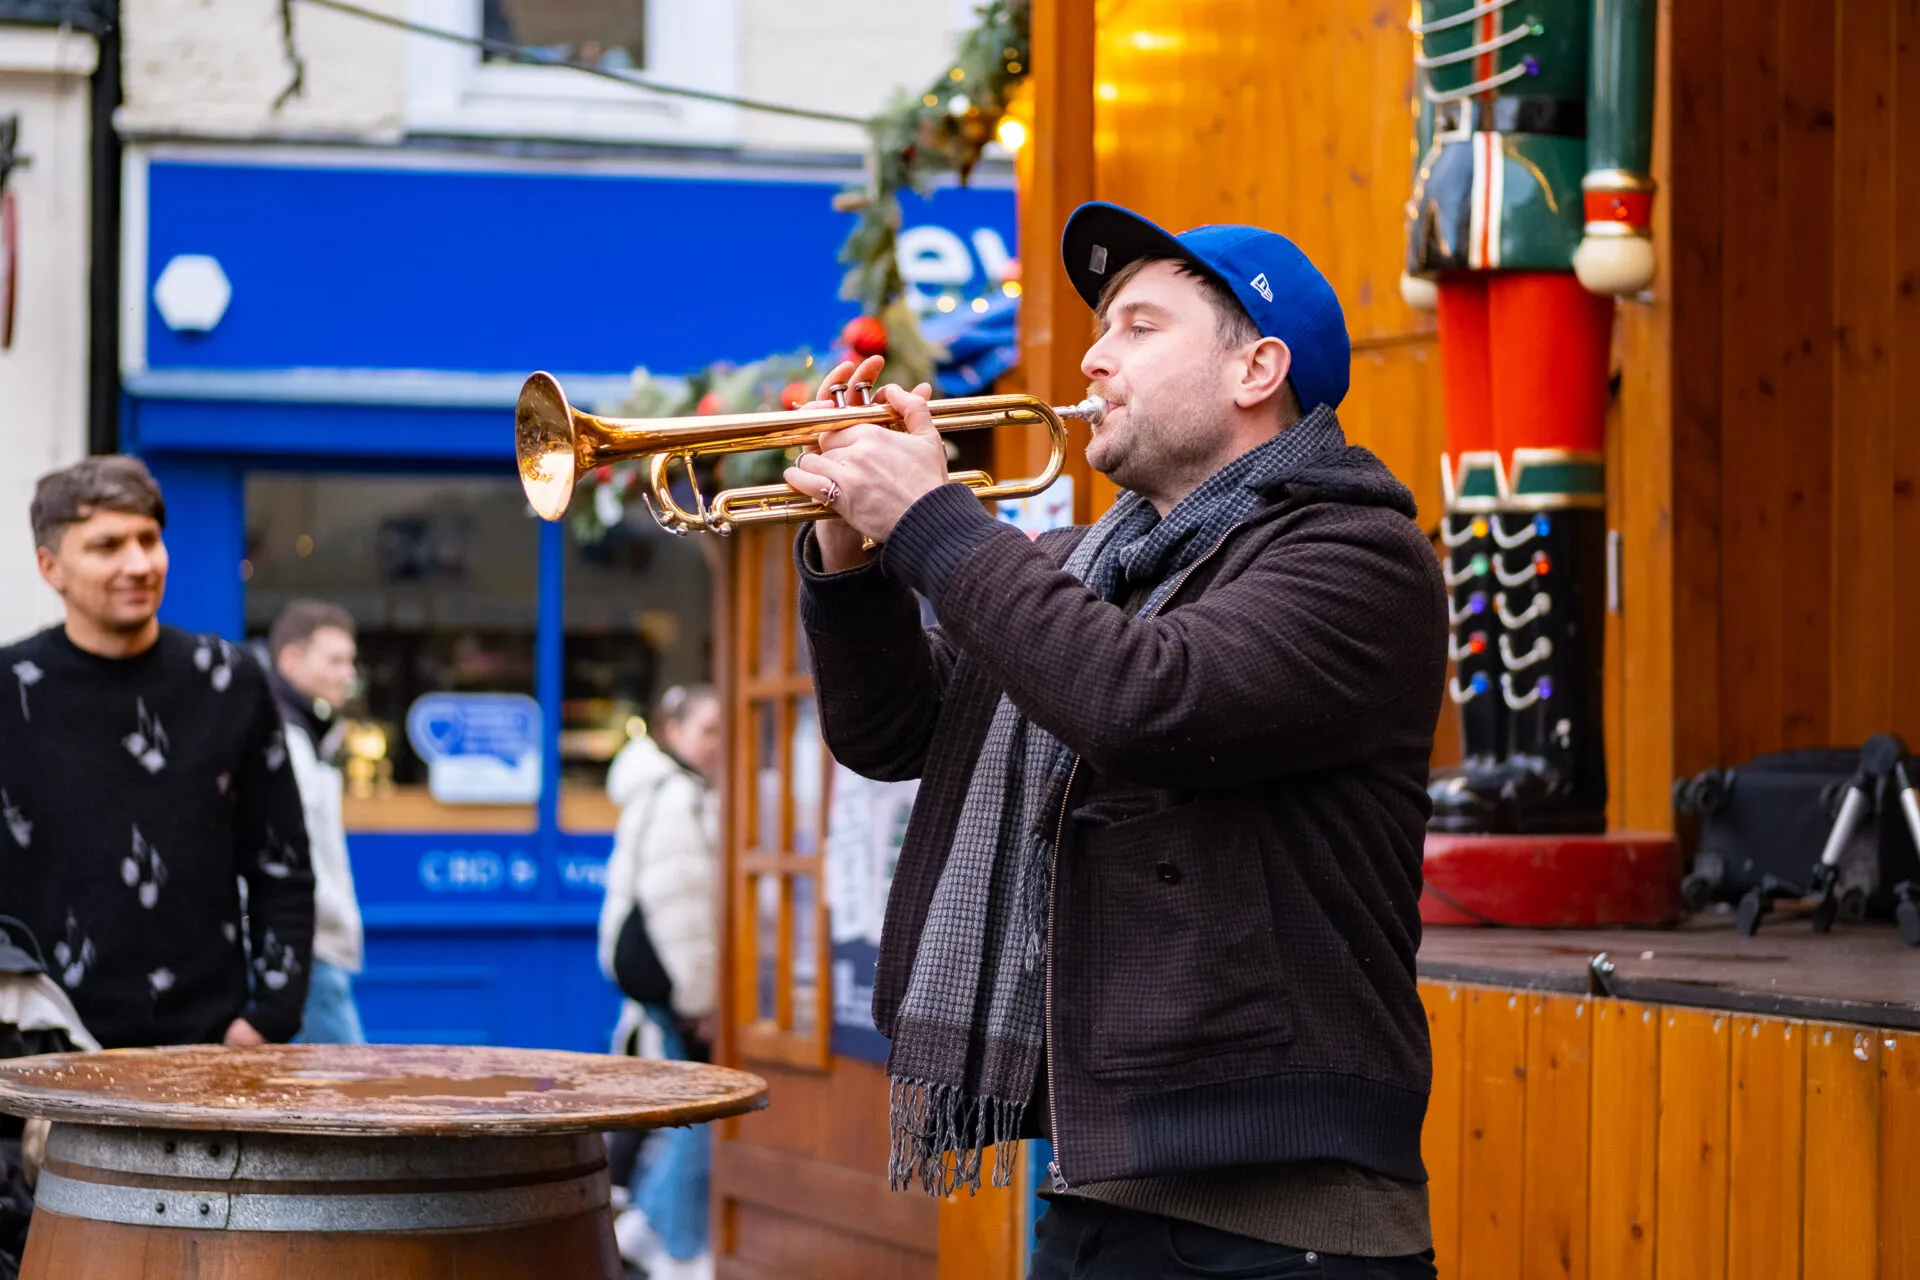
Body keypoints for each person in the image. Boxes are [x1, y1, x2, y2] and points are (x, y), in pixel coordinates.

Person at [783, 203, 1448, 1278]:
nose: (1093, 355)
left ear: (1255, 370)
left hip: (1287, 1229)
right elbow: (898, 728)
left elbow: (1146, 700)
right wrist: (851, 555)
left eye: (1139, 326)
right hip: (1099, 1196)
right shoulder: (1089, 565)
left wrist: (935, 519)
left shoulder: (1358, 556)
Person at [0, 456, 314, 1052]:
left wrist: (268, 1017)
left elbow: (282, 865)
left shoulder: (228, 680)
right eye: (107, 545)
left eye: (149, 539)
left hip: (203, 1051)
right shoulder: (8, 685)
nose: (138, 564)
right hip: (36, 1052)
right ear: (51, 567)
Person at [597, 683, 722, 1280]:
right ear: (673, 733)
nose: (719, 744)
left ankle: (651, 1229)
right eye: (709, 730)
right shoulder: (678, 797)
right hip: (678, 985)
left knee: (671, 1113)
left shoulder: (660, 788)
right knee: (694, 1120)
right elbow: (683, 909)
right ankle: (670, 1241)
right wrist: (701, 998)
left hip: (656, 983)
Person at [267, 600, 366, 1045]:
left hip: (307, 951)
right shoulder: (286, 740)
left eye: (351, 660)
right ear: (290, 660)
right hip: (309, 954)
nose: (348, 673)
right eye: (334, 660)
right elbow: (285, 852)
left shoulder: (306, 734)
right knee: (353, 1100)